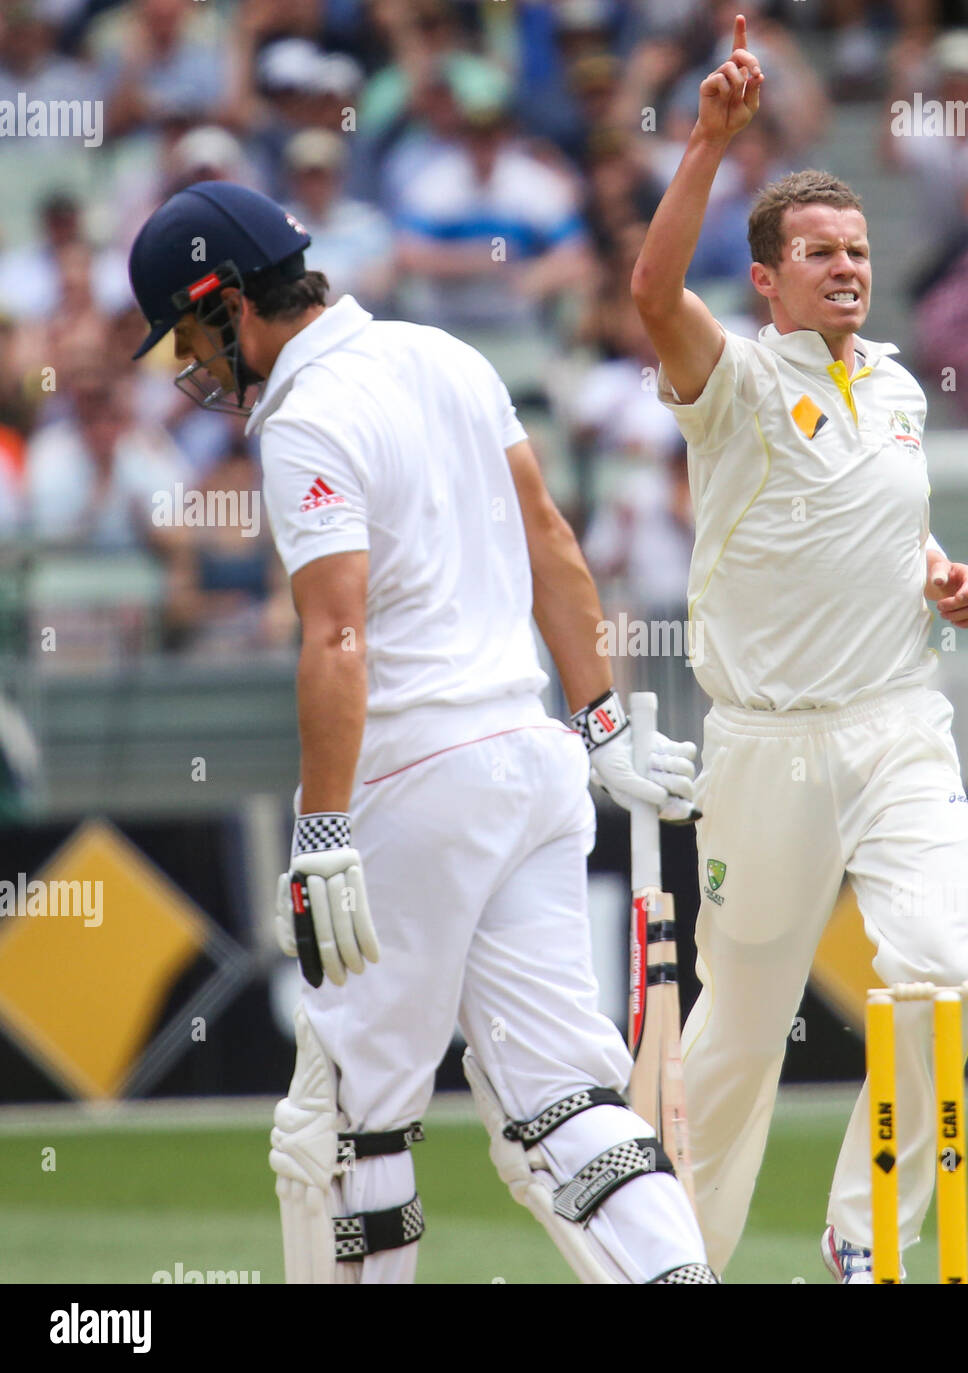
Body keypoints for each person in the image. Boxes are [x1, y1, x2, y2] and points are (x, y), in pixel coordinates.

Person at [127, 179, 715, 1285]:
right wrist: (596, 721)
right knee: (567, 1101)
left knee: (349, 1122)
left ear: (227, 300)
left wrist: (323, 827)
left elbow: (337, 635)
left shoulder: (305, 416)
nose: (192, 364)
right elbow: (552, 540)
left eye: (190, 332)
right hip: (530, 761)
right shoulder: (444, 355)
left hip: (413, 782)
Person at [631, 16, 968, 1283]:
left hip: (898, 719)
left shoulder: (894, 386)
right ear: (769, 277)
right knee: (741, 1028)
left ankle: (859, 1240)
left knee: (943, 966)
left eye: (857, 251)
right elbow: (648, 293)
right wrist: (710, 138)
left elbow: (882, 520)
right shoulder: (727, 381)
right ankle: (678, 1257)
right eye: (818, 254)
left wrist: (939, 575)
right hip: (765, 745)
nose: (844, 269)